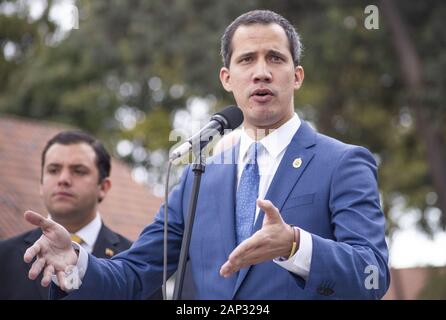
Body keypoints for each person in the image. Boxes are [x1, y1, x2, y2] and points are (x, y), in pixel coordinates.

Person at [23, 10, 390, 299]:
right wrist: (76, 262)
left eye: (274, 59)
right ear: (227, 78)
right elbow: (134, 274)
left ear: (296, 76)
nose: (261, 72)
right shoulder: (199, 177)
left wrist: (297, 243)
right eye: (247, 60)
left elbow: (372, 274)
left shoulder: (342, 162)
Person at [0, 131, 162, 299]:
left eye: (78, 171)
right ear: (41, 184)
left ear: (103, 187)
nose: (63, 179)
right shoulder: (4, 256)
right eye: (53, 170)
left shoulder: (138, 267)